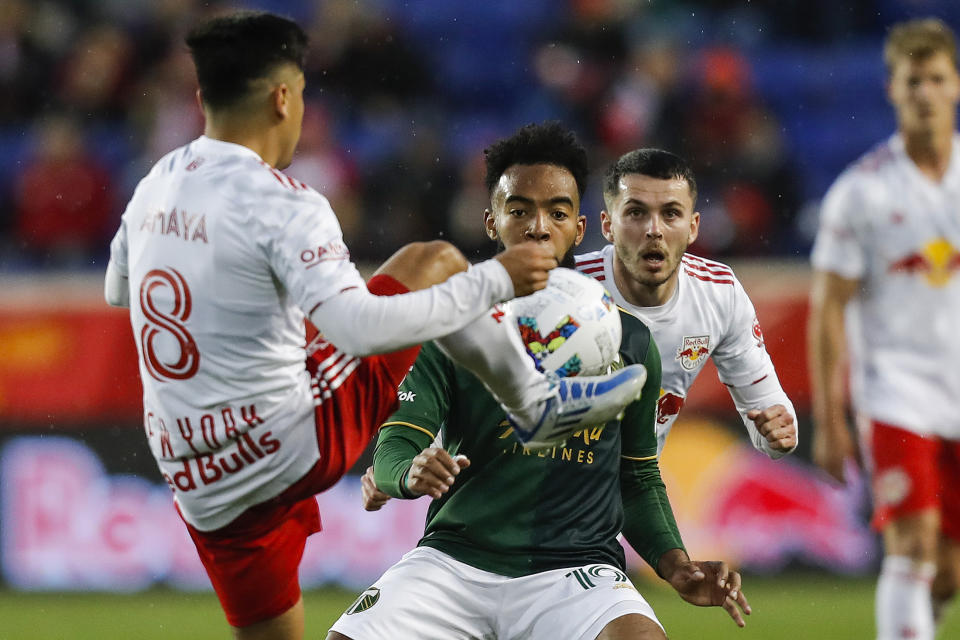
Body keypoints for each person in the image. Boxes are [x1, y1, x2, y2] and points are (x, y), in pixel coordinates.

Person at [102, 12, 646, 640]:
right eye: (303, 93)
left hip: (200, 482)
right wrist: (496, 278)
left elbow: (120, 288)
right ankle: (533, 401)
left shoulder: (154, 185)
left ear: (201, 99)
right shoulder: (285, 201)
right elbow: (361, 330)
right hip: (289, 441)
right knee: (435, 262)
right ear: (284, 98)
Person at [328, 122, 750, 640]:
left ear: (579, 227)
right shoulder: (449, 323)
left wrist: (676, 566)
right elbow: (398, 440)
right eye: (519, 209)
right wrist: (406, 473)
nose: (537, 226)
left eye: (556, 211)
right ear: (492, 222)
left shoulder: (631, 341)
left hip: (575, 570)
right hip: (455, 560)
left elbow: (637, 477)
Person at [809, 17, 960, 640]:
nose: (924, 91)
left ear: (956, 86)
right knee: (912, 542)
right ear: (891, 90)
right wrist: (831, 416)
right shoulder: (861, 193)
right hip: (895, 389)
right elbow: (827, 307)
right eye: (911, 80)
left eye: (936, 78)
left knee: (946, 571)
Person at [576, 148, 798, 459]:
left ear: (693, 227)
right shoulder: (562, 287)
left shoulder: (719, 294)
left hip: (635, 482)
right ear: (607, 225)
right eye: (636, 213)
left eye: (670, 213)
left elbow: (768, 404)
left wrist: (779, 431)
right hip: (547, 484)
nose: (654, 230)